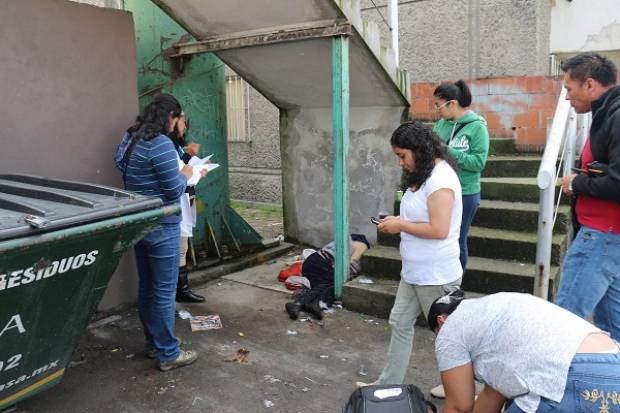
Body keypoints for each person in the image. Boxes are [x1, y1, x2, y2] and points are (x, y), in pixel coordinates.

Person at [357, 121, 463, 387]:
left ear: (419, 149)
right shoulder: (423, 174)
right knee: (399, 322)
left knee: (449, 337)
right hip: (414, 271)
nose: (401, 163)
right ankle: (387, 384)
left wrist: (401, 225)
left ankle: (472, 389)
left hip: (436, 275)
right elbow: (420, 214)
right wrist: (398, 218)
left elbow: (439, 229)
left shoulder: (441, 179)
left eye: (402, 156)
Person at [114, 93, 198, 372]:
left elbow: (118, 163)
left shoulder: (132, 137)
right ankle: (169, 353)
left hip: (140, 222)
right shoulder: (160, 143)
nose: (177, 125)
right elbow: (175, 189)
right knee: (163, 291)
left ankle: (154, 344)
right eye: (178, 119)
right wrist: (187, 172)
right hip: (163, 224)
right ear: (171, 117)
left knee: (148, 287)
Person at [429, 291, 620, 413]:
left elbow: (459, 406)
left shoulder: (449, 330)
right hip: (611, 363)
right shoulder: (494, 312)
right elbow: (490, 400)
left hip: (566, 375)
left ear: (441, 321)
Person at [557, 53, 620, 340]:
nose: (567, 97)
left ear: (590, 84)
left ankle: (552, 384)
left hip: (601, 237)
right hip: (608, 237)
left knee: (564, 324)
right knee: (610, 332)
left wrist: (577, 182)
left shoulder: (616, 115)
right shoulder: (609, 112)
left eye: (569, 89)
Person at [432, 80, 489, 273]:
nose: (437, 110)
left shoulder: (477, 127)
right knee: (441, 237)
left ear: (452, 104)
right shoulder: (440, 125)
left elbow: (478, 163)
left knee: (458, 238)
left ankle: (455, 284)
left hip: (465, 193)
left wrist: (448, 151)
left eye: (438, 105)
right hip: (440, 190)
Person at [284, 234, 370, 321]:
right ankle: (315, 304)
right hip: (322, 263)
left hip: (311, 262)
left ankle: (301, 304)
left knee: (321, 287)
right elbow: (349, 269)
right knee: (335, 285)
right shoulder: (363, 246)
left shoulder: (346, 238)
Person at [167, 114, 206, 303]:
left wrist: (189, 156)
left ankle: (182, 290)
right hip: (176, 201)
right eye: (182, 121)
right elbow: (179, 174)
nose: (184, 126)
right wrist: (196, 171)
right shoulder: (166, 144)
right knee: (178, 249)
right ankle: (176, 293)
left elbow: (182, 167)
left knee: (182, 247)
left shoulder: (173, 144)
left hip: (184, 197)